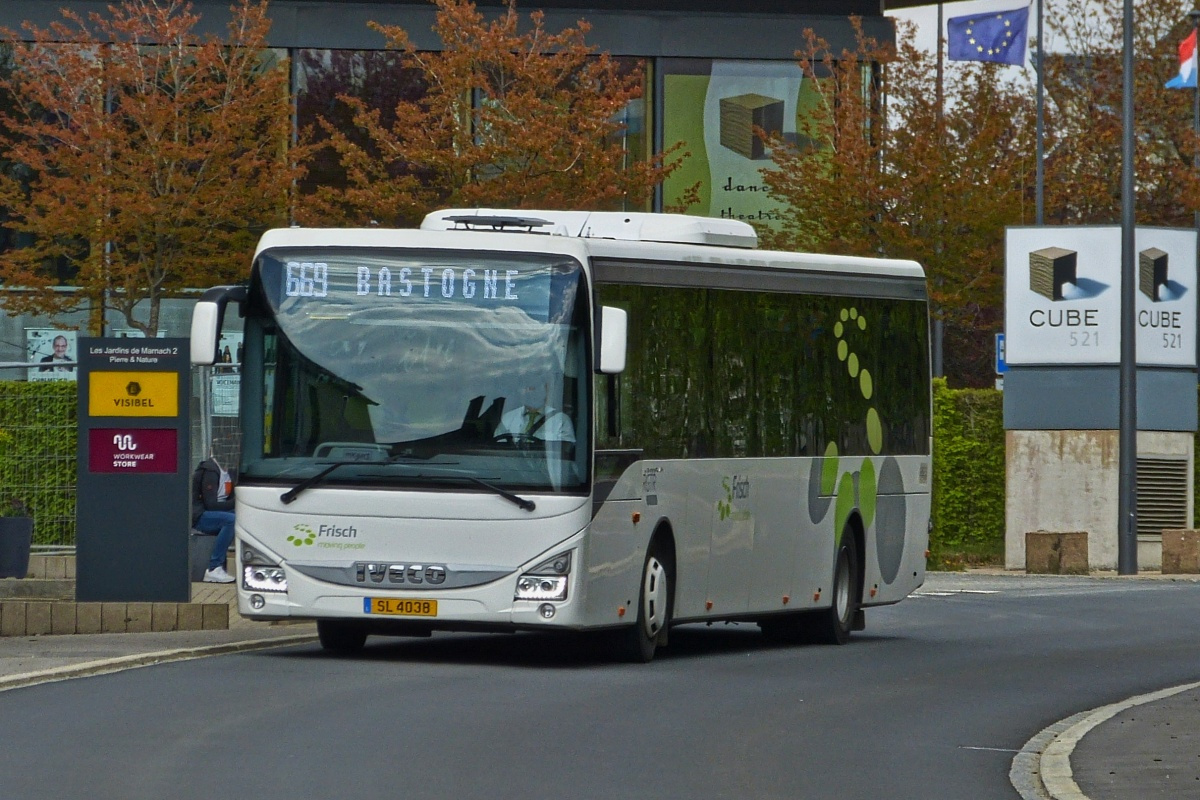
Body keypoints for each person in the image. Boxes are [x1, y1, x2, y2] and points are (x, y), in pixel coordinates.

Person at [192, 456, 236, 583]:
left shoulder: (231, 472)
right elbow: (211, 505)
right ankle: (214, 567)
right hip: (200, 515)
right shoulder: (210, 471)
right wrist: (237, 502)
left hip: (218, 512)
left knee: (244, 517)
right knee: (231, 520)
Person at [496, 383, 575, 443]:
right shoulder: (508, 418)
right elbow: (497, 449)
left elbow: (566, 452)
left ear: (546, 391)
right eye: (526, 387)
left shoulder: (561, 420)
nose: (530, 391)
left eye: (535, 387)